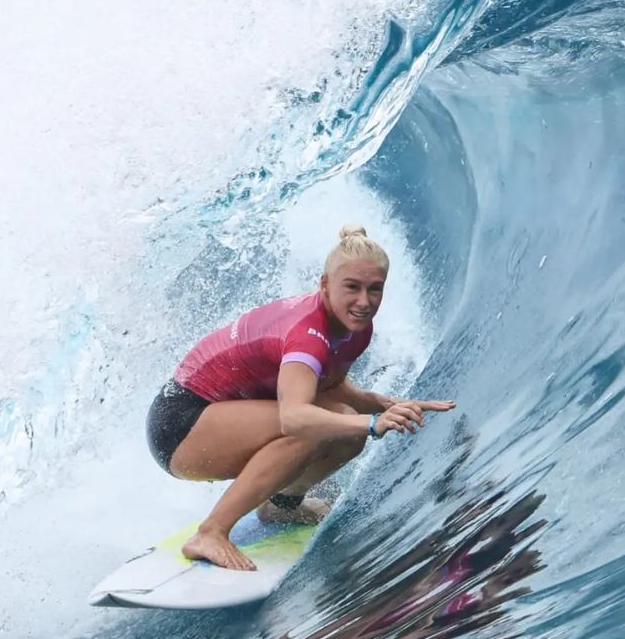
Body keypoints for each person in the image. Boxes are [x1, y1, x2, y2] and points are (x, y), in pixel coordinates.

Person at [146, 224, 455, 571]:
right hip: (180, 426)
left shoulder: (353, 325)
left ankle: (282, 504)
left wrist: (387, 405)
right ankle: (211, 533)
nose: (364, 301)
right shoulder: (307, 334)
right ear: (325, 284)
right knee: (318, 429)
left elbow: (330, 388)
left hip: (219, 415)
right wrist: (371, 423)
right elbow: (294, 417)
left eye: (375, 290)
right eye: (352, 287)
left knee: (344, 428)